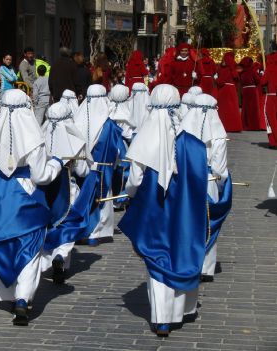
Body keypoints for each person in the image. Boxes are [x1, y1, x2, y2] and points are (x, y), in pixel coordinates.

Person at [118, 84, 207, 337]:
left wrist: (130, 197)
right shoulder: (192, 143)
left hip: (154, 207)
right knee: (181, 250)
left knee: (157, 256)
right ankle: (181, 310)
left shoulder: (144, 138)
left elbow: (134, 181)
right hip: (183, 208)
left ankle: (162, 318)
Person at [0, 89, 63, 326]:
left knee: (4, 245)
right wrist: (56, 164)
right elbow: (42, 175)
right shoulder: (33, 140)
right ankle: (23, 299)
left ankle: (9, 293)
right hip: (27, 201)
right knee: (30, 251)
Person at [181, 93, 232, 283]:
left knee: (188, 221)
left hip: (187, 180)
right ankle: (206, 266)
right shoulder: (217, 136)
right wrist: (220, 184)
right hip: (208, 181)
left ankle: (188, 260)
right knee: (208, 222)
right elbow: (220, 169)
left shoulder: (182, 132)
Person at [40, 102, 90, 283]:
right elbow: (83, 171)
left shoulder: (39, 136)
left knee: (48, 225)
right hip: (68, 190)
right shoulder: (76, 140)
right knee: (67, 225)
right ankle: (60, 255)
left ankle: (48, 259)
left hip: (43, 190)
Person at [73, 84, 123, 246]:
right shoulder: (109, 125)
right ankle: (97, 232)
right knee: (101, 199)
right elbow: (116, 150)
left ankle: (81, 230)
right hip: (103, 169)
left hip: (81, 169)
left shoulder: (77, 119)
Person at [216, 52, 242, 132]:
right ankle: (234, 126)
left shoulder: (223, 68)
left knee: (224, 108)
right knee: (232, 108)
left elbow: (220, 80)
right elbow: (236, 79)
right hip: (231, 89)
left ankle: (225, 126)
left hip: (224, 89)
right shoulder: (233, 68)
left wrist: (217, 80)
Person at [239, 57, 263, 131]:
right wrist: (261, 76)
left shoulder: (242, 72)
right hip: (252, 90)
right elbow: (257, 80)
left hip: (244, 90)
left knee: (246, 108)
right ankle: (253, 125)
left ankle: (246, 124)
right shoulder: (252, 71)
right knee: (253, 108)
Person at [260, 50, 277, 148]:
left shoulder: (270, 68)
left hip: (271, 96)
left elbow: (263, 82)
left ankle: (274, 141)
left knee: (271, 119)